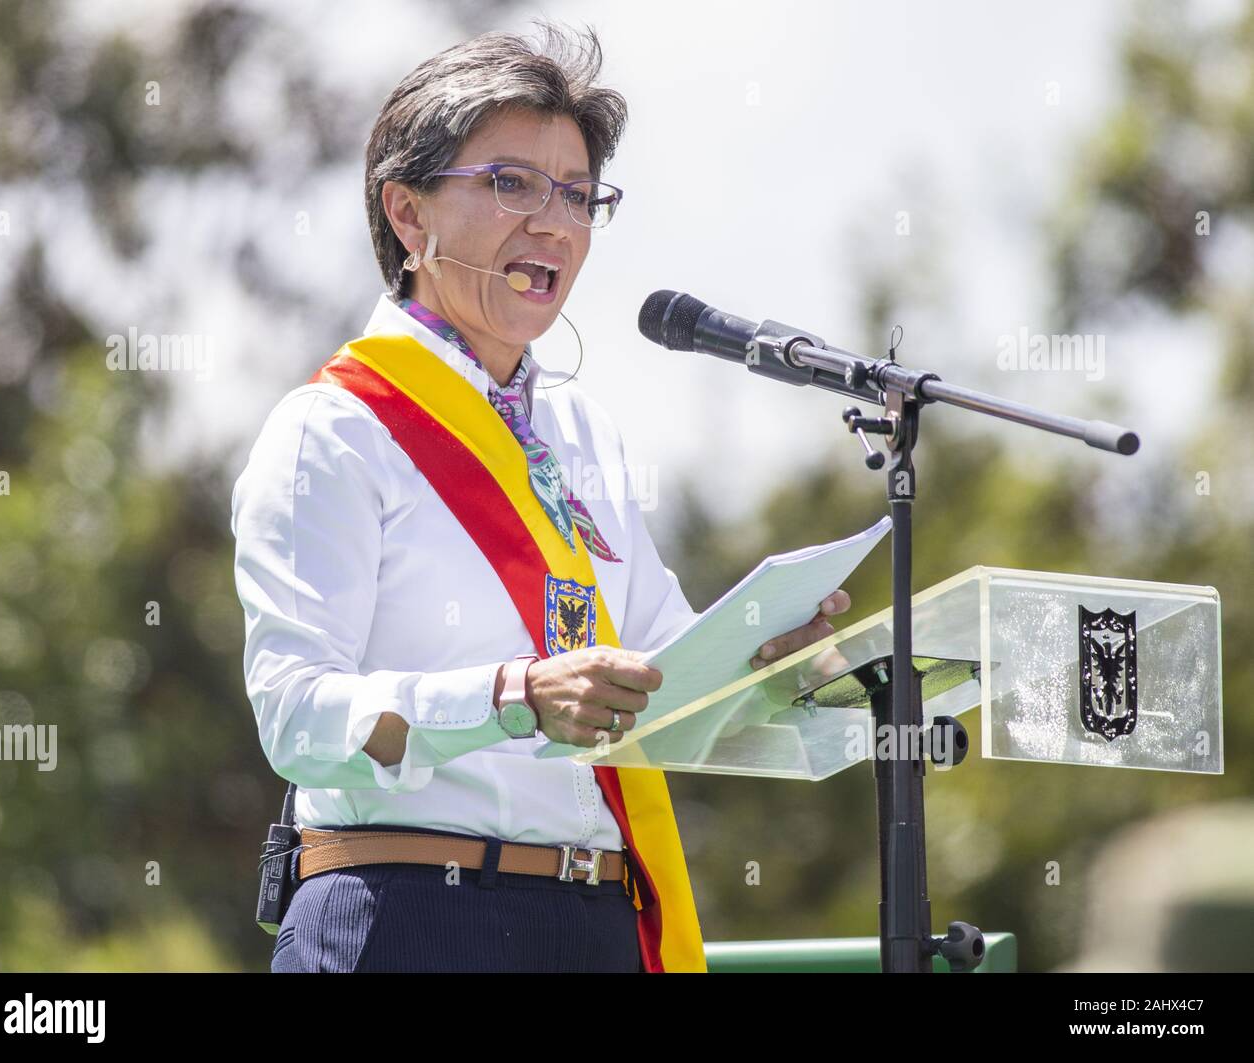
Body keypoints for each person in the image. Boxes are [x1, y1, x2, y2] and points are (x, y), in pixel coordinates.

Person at [230, 20, 850, 974]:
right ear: (407, 214)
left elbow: (668, 678)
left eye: (578, 193)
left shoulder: (585, 436)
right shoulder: (334, 429)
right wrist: (515, 695)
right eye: (511, 183)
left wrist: (773, 662)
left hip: (596, 920)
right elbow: (298, 718)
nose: (555, 223)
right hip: (410, 914)